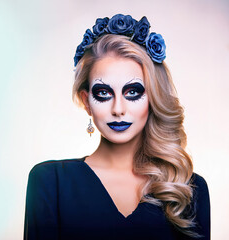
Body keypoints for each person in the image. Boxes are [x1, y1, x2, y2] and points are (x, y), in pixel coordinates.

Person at [23, 14, 210, 240]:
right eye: (104, 93)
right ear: (86, 101)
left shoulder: (186, 190)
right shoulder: (50, 182)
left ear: (153, 98)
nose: (118, 109)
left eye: (133, 92)